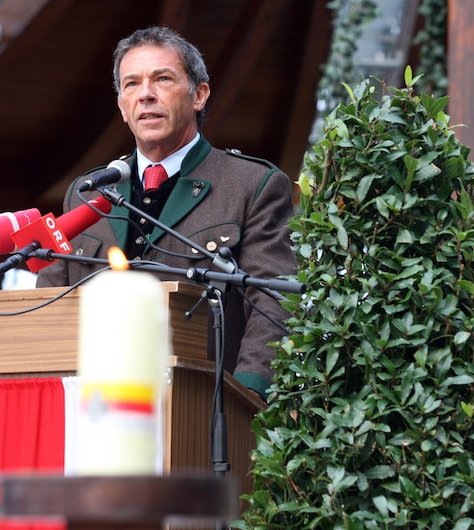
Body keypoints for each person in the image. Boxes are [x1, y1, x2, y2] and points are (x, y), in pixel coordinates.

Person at [36, 26, 296, 398]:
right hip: (90, 409)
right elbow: (49, 304)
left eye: (162, 79)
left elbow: (275, 306)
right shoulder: (86, 193)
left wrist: (246, 399)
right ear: (123, 108)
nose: (146, 95)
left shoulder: (252, 186)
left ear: (199, 95)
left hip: (203, 410)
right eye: (131, 84)